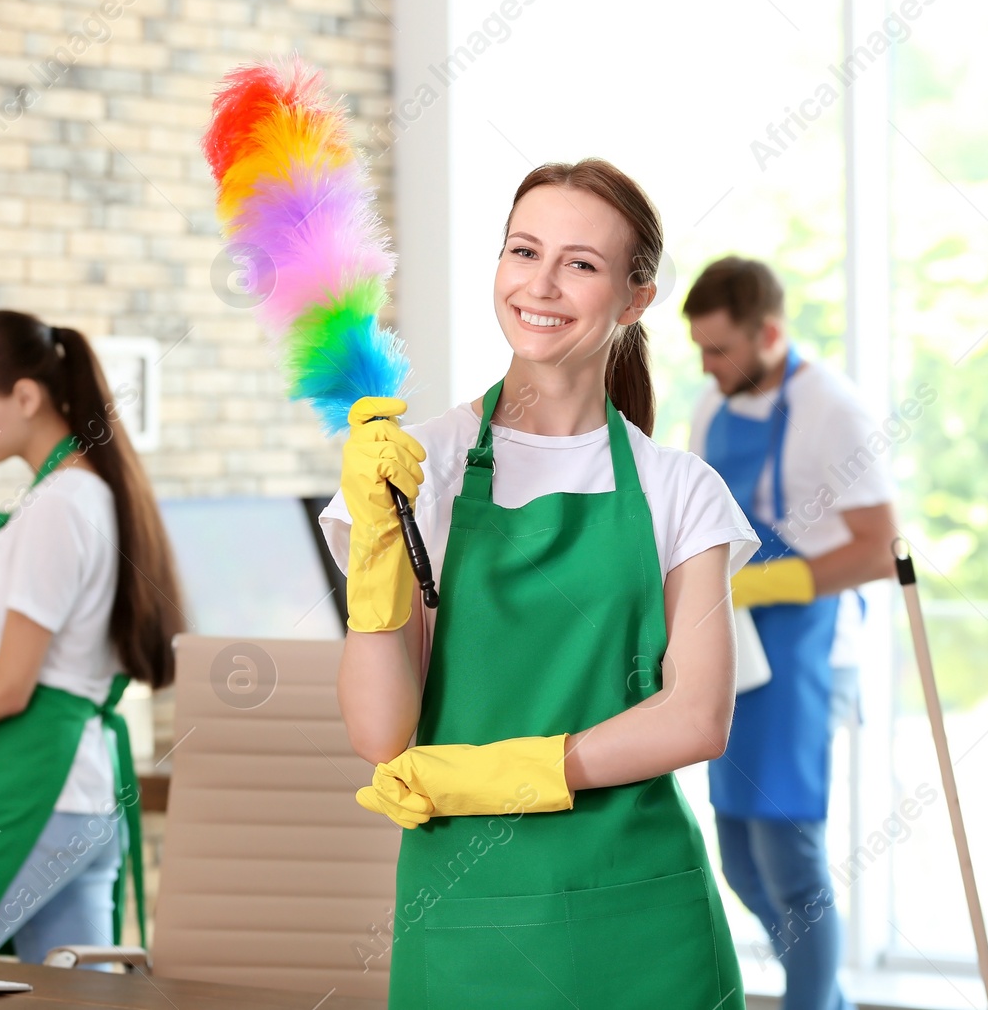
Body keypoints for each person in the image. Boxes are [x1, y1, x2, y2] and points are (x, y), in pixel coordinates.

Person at [320, 159, 758, 1009]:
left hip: (645, 917)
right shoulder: (419, 468)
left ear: (635, 298)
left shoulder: (679, 488)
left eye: (581, 263)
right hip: (466, 917)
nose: (541, 284)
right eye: (524, 251)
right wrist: (376, 555)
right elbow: (381, 734)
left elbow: (699, 716)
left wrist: (507, 776)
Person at [0, 310, 182, 965]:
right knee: (79, 993)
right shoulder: (79, 492)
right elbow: (44, 647)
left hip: (39, 789)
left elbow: (13, 684)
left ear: (24, 395)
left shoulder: (59, 505)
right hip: (82, 792)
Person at [684, 256, 899, 1010]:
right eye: (701, 351)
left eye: (720, 350)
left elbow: (879, 547)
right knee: (738, 858)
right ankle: (826, 995)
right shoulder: (714, 406)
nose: (708, 368)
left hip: (811, 646)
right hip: (734, 651)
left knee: (790, 859)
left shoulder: (833, 408)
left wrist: (771, 580)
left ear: (769, 332)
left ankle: (813, 1001)